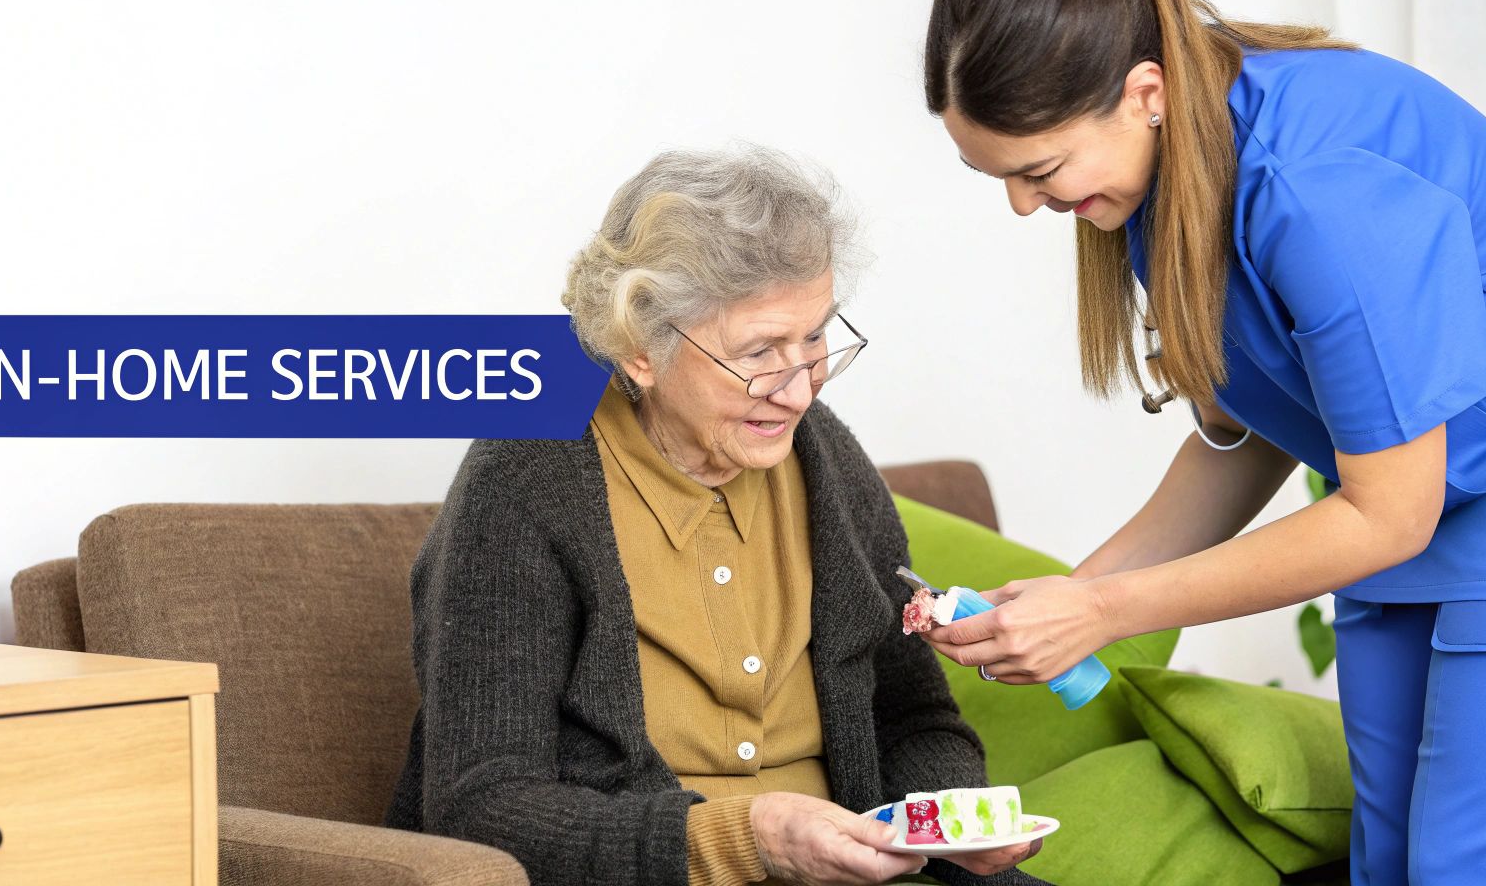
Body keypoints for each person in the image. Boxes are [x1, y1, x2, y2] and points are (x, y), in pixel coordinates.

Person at [917, 0, 1486, 886]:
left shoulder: (1314, 197)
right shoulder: (1159, 183)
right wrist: (1071, 595)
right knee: (1392, 860)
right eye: (996, 176)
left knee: (1474, 867)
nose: (1023, 204)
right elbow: (1242, 438)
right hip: (1405, 501)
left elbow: (1389, 511)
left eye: (1038, 167)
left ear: (1141, 91)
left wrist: (1104, 615)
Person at [386, 146, 1046, 886]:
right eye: (760, 351)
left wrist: (951, 824)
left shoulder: (824, 458)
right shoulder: (526, 475)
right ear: (641, 347)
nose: (799, 392)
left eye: (815, 336)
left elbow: (912, 718)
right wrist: (747, 837)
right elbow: (482, 807)